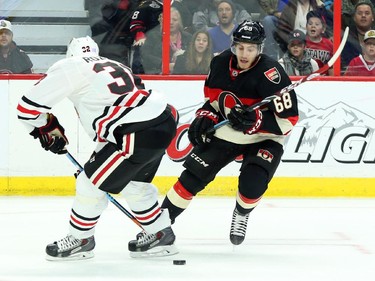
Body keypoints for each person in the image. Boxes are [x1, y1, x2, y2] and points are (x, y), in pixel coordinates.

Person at [16, 36, 179, 260]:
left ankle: (80, 239)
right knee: (134, 183)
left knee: (89, 183)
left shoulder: (71, 65)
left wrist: (45, 127)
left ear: (70, 54)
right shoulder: (115, 65)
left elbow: (26, 107)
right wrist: (96, 163)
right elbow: (118, 120)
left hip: (136, 130)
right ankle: (160, 234)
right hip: (163, 120)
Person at [161, 20, 299, 245]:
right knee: (191, 178)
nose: (245, 54)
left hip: (265, 136)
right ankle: (159, 226)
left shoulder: (272, 74)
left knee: (252, 184)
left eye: (251, 48)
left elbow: (289, 120)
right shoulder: (219, 63)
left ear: (260, 49)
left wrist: (256, 121)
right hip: (228, 131)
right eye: (241, 47)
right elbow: (212, 102)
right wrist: (206, 117)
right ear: (234, 45)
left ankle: (242, 213)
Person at [141, 7, 192, 73]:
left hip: (184, 73)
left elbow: (194, 56)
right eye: (168, 19)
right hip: (158, 73)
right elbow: (145, 55)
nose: (171, 22)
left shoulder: (188, 37)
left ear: (179, 22)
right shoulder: (153, 36)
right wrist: (163, 65)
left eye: (174, 20)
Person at [341, 1, 375, 72]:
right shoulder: (345, 38)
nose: (363, 16)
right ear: (354, 18)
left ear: (373, 17)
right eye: (359, 13)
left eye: (367, 13)